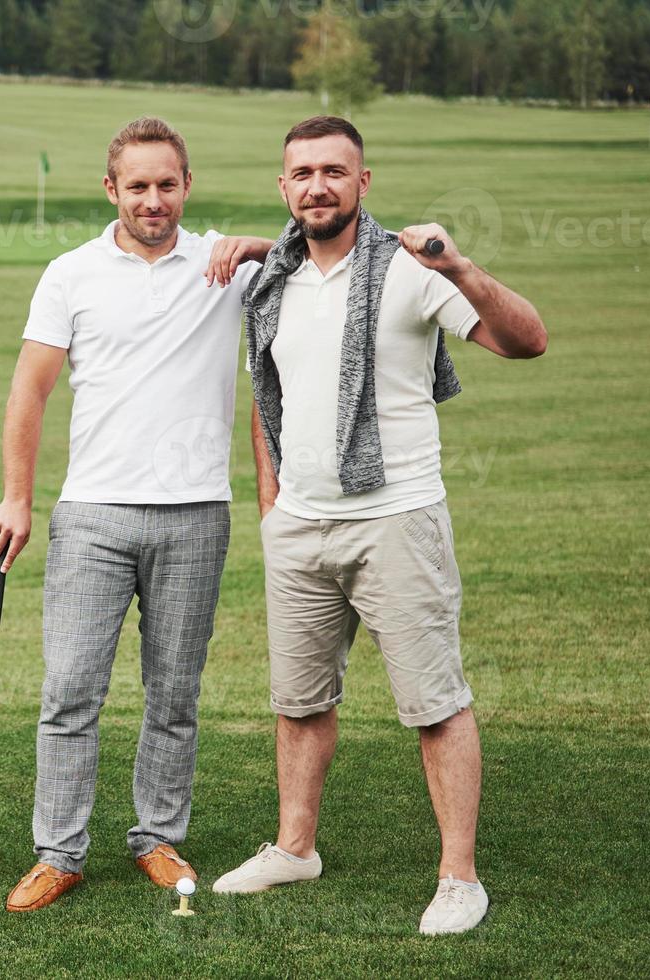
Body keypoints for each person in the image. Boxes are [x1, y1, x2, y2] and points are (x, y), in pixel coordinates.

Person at [204, 115, 547, 935]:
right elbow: (269, 394)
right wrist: (271, 505)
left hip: (396, 522)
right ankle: (294, 847)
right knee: (297, 702)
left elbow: (526, 341)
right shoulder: (272, 279)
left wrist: (458, 262)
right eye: (301, 173)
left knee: (434, 704)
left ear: (363, 182)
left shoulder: (410, 268)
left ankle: (458, 877)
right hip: (300, 529)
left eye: (333, 170)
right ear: (282, 187)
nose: (316, 185)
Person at [0, 116, 272, 913]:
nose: (153, 199)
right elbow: (29, 392)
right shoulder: (69, 274)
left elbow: (321, 245)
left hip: (195, 515)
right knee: (70, 690)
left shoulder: (225, 266)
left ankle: (155, 837)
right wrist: (17, 495)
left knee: (173, 693)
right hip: (93, 515)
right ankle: (59, 853)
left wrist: (252, 244)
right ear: (110, 189)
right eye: (137, 186)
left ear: (187, 185)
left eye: (167, 184)